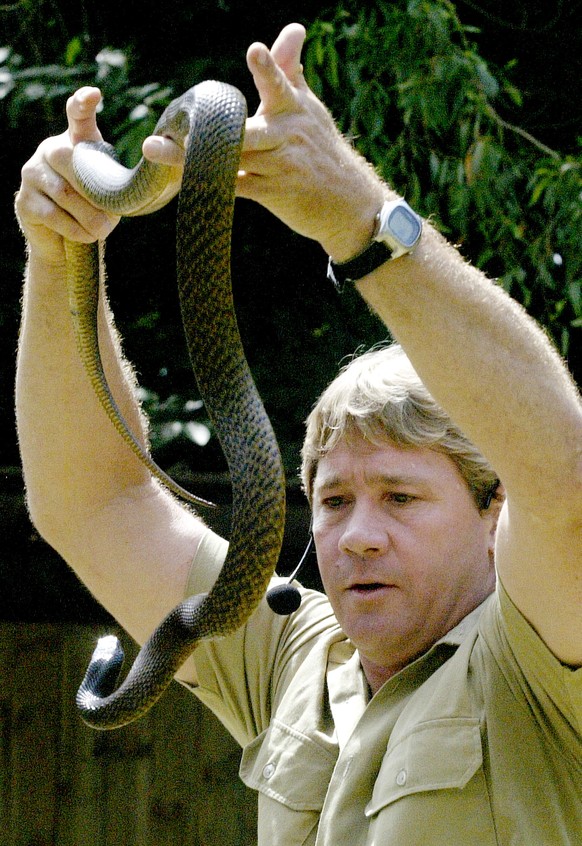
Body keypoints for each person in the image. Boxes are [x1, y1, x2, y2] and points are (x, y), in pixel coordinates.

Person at [14, 21, 581, 846]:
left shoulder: (543, 660)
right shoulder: (295, 663)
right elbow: (93, 502)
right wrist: (60, 247)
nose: (356, 537)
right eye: (334, 498)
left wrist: (357, 214)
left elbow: (561, 474)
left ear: (495, 513)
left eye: (400, 496)